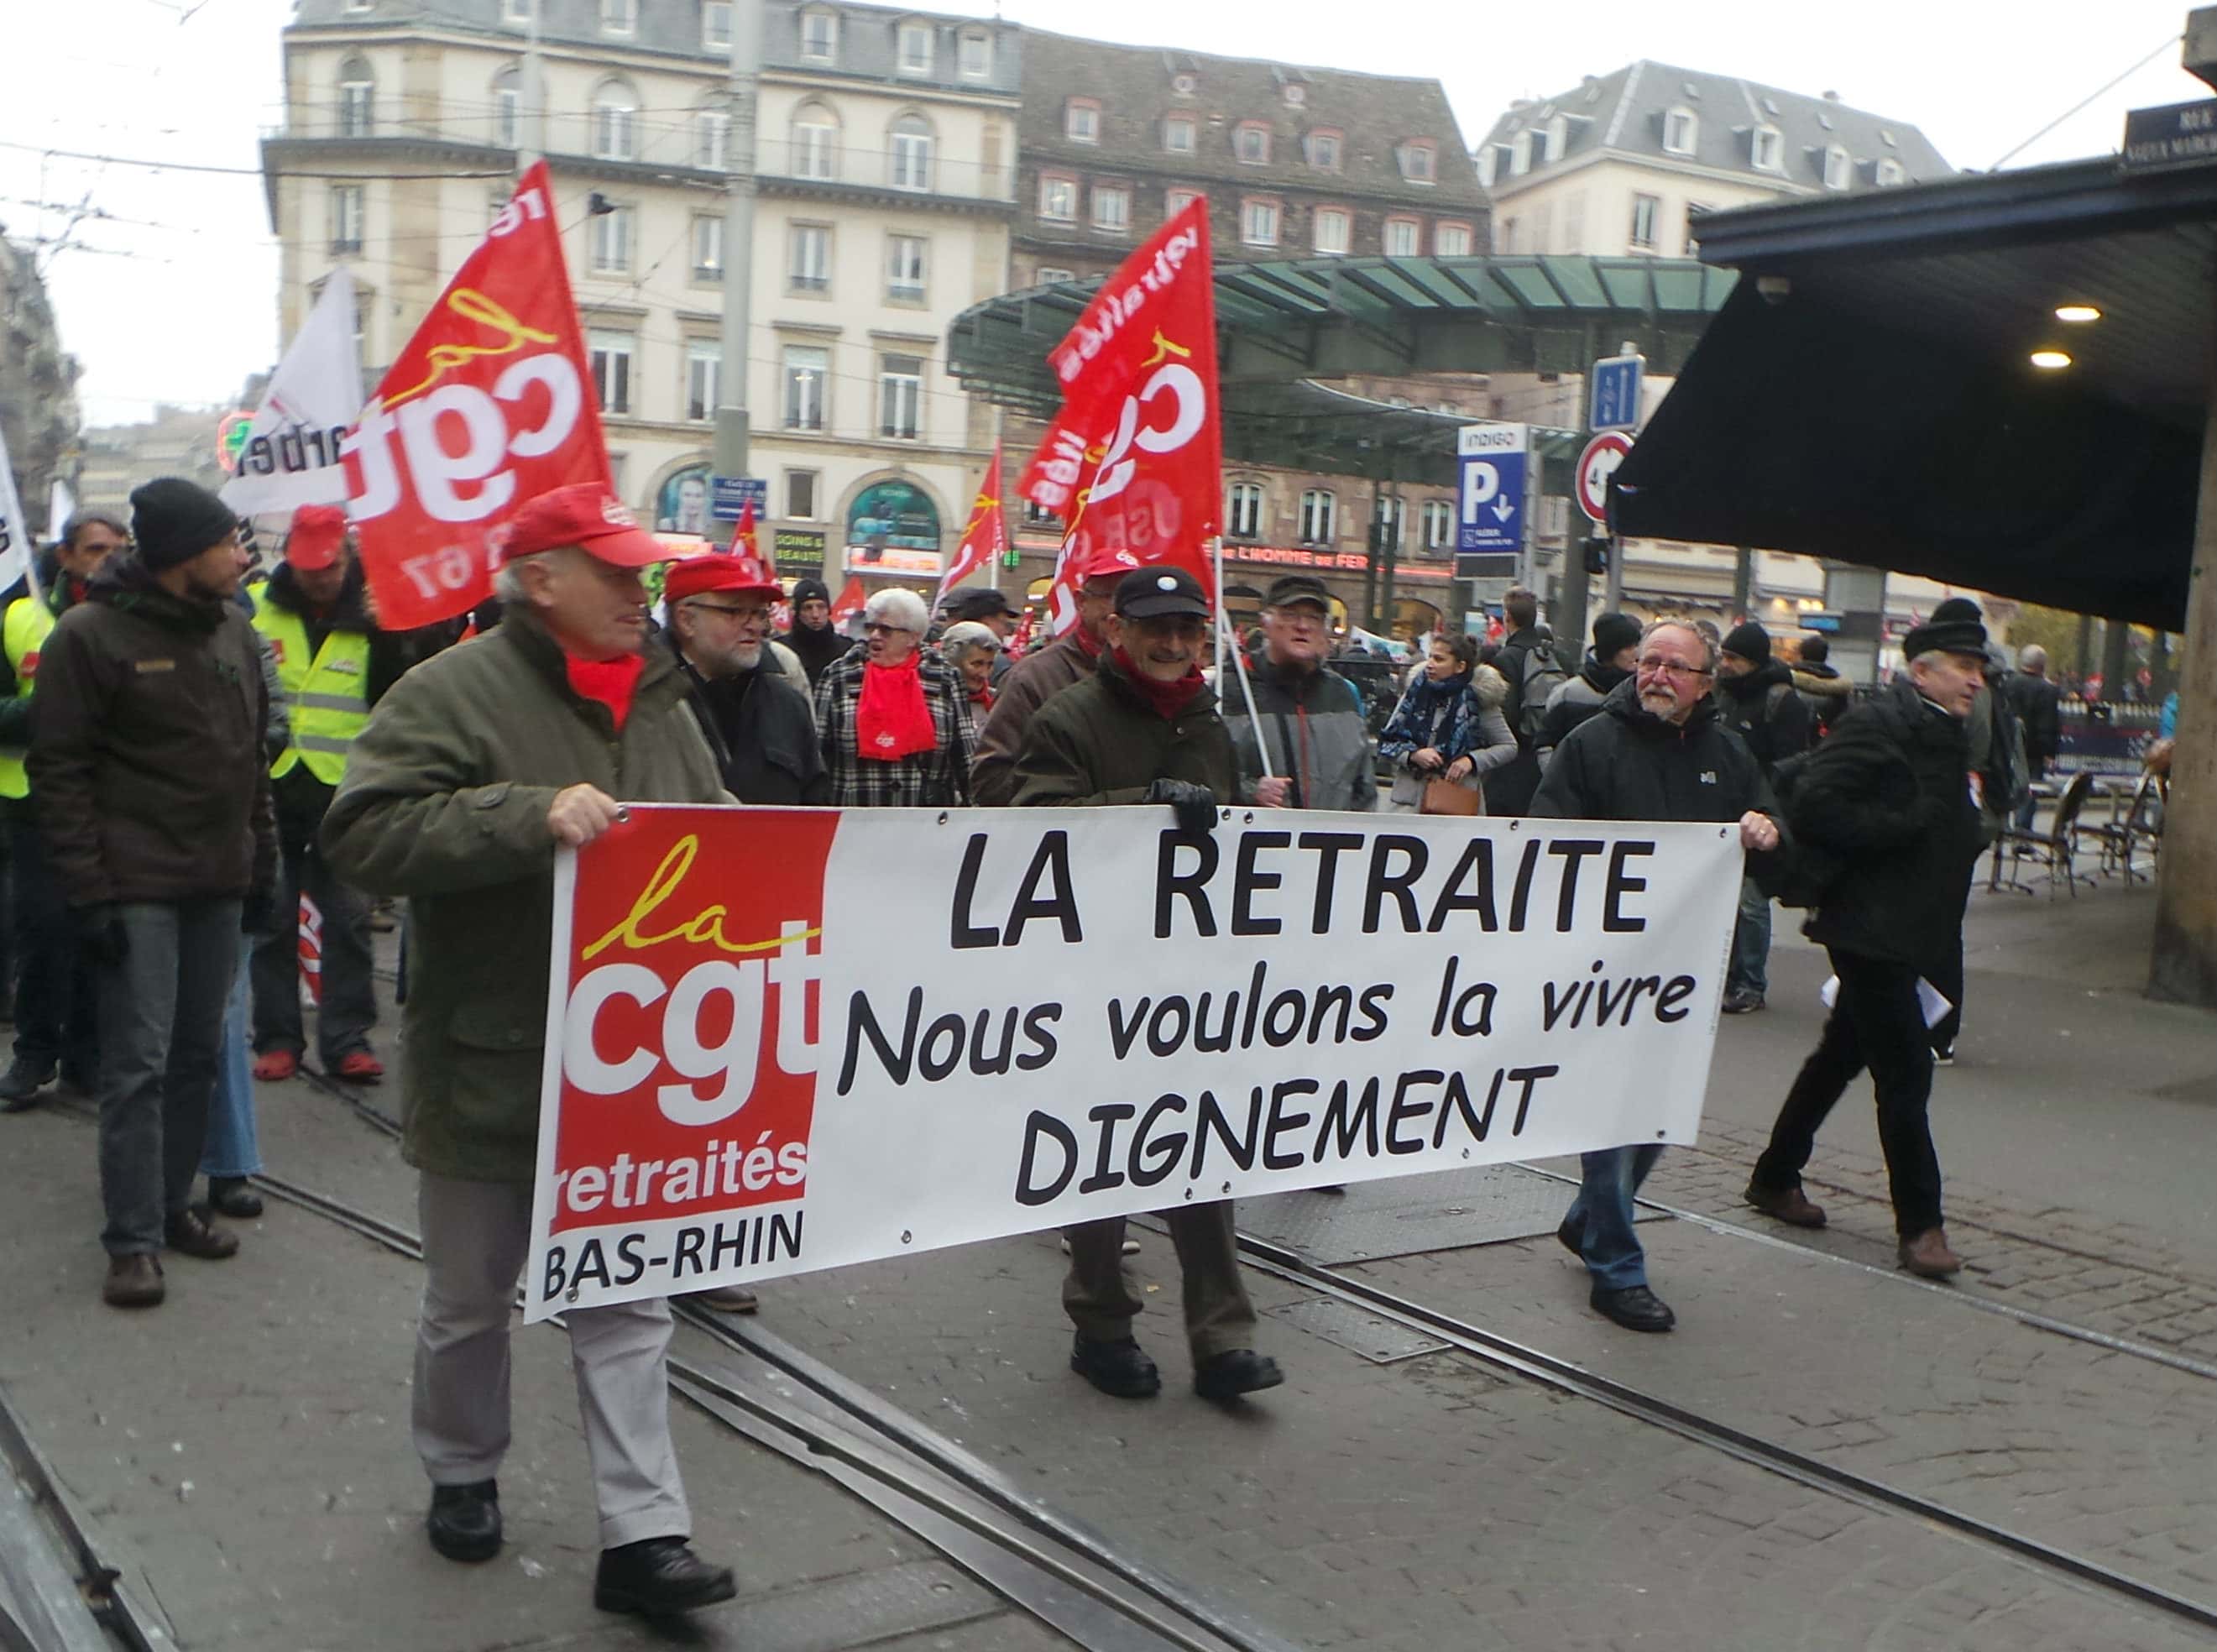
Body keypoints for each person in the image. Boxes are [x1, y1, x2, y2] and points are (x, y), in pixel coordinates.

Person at [322, 481, 735, 1615]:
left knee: (630, 1304)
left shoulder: (662, 698)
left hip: (637, 1067)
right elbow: (361, 834)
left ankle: (644, 1538)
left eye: (641, 571)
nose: (638, 590)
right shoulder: (448, 689)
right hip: (494, 1051)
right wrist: (526, 815)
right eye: (615, 571)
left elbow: (712, 830)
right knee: (469, 1300)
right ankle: (462, 1470)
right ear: (539, 579)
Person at [1012, 567, 1284, 1404]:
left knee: (1202, 1149)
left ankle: (1222, 1338)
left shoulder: (1212, 723)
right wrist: (1143, 804)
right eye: (1155, 628)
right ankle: (1102, 1325)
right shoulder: (1067, 718)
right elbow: (1032, 829)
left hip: (1189, 978)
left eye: (1187, 630)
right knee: (1097, 1157)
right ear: (1116, 632)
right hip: (1094, 975)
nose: (1172, 644)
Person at [30, 478, 278, 1310]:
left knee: (196, 1055)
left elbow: (251, 767)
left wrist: (264, 862)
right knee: (136, 1065)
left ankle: (173, 1208)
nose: (241, 557)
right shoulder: (89, 636)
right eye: (227, 543)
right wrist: (88, 894)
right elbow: (58, 773)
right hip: (134, 886)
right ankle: (131, 1241)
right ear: (180, 555)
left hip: (217, 880)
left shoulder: (235, 635)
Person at [1531, 620, 1786, 1332]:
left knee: (1656, 1113)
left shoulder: (1727, 754)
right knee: (1611, 1114)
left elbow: (1774, 845)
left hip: (1684, 974)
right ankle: (1615, 1270)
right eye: (1648, 661)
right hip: (1604, 973)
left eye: (1676, 666)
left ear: (1705, 682)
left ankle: (1587, 1220)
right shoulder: (1590, 744)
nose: (1657, 676)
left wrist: (1767, 831)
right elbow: (1543, 844)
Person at [1744, 607, 1990, 1280]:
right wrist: (1902, 825)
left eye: (1980, 671)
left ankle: (1773, 1175)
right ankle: (1921, 1227)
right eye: (1964, 669)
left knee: (1837, 1056)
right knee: (1905, 1075)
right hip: (1868, 929)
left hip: (1912, 930)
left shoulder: (1947, 731)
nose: (1976, 682)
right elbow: (1819, 803)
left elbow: (1945, 819)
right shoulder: (1878, 723)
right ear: (1920, 672)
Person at [245, 504, 397, 1086]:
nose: (318, 578)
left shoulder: (375, 612)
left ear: (347, 558)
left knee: (350, 920)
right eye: (308, 569)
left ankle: (347, 1039)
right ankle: (279, 1038)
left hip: (347, 788)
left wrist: (393, 634)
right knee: (274, 920)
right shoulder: (257, 608)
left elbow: (396, 695)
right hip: (273, 782)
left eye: (328, 569)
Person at [0, 510, 123, 1110]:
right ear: (67, 556)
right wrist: (53, 704)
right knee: (43, 932)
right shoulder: (22, 616)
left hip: (116, 802)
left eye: (118, 546)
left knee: (101, 933)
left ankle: (87, 1057)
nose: (109, 557)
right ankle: (34, 1053)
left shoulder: (140, 620)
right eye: (96, 548)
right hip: (35, 801)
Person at [665, 550, 826, 808]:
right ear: (686, 620)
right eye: (736, 611)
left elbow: (814, 810)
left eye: (760, 613)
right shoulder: (643, 700)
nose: (755, 626)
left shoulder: (788, 704)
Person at [970, 549, 1127, 807]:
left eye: (1130, 598)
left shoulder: (1154, 677)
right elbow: (990, 780)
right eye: (1108, 595)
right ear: (1081, 602)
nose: (1119, 608)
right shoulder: (1033, 678)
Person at [1712, 622, 1811, 1016]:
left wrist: (1765, 780)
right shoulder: (1722, 693)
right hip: (1722, 806)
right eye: (1724, 656)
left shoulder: (1783, 700)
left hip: (1761, 808)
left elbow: (1798, 756)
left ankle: (1750, 982)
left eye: (1733, 658)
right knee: (1725, 900)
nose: (1725, 664)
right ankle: (1730, 975)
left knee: (1751, 901)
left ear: (1752, 661)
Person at [1219, 574, 1377, 813]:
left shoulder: (1342, 693)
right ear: (1265, 623)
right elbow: (1202, 778)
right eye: (1290, 614)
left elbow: (1363, 789)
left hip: (1331, 845)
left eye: (1313, 617)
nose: (1303, 626)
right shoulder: (1229, 689)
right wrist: (1250, 792)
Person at [815, 587, 973, 808]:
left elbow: (966, 758)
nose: (874, 636)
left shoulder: (944, 678)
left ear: (913, 637)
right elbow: (817, 758)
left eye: (886, 630)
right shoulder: (839, 675)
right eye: (871, 627)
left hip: (924, 825)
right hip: (854, 823)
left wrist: (979, 816)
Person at [1376, 633, 1515, 813]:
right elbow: (1387, 741)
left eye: (1439, 659)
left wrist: (1471, 761)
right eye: (1430, 657)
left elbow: (1508, 746)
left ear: (1460, 666)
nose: (1430, 665)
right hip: (1409, 802)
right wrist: (1413, 755)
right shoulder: (1415, 693)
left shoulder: (1479, 699)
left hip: (1457, 799)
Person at [1535, 611, 1641, 771]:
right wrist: (1558, 783)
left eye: (1637, 646)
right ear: (1610, 651)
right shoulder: (1568, 693)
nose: (1636, 653)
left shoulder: (1641, 693)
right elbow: (1545, 744)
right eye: (1628, 647)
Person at [1482, 586, 1556, 815]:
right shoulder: (1555, 656)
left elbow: (1505, 717)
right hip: (1547, 761)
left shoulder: (1506, 658)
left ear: (1508, 616)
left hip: (1512, 766)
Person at [2001, 642, 2063, 833]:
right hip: (2032, 749)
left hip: (2006, 744)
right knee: (2029, 790)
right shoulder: (2048, 690)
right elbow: (2048, 724)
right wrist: (2049, 753)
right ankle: (2022, 832)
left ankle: (2002, 827)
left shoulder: (2007, 683)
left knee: (2005, 783)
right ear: (2042, 666)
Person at [939, 587, 1020, 684]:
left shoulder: (934, 659)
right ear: (985, 624)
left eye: (990, 665)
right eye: (1003, 623)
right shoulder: (1001, 664)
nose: (1007, 631)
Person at [938, 620, 1001, 741]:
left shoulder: (997, 702)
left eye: (990, 665)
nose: (984, 673)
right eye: (977, 664)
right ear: (951, 662)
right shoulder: (932, 701)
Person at [784, 575, 852, 687]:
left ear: (828, 610)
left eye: (821, 607)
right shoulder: (781, 649)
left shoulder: (847, 650)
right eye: (808, 608)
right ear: (797, 612)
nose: (815, 615)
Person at [1791, 635, 1854, 740]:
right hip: (1826, 748)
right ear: (1826, 657)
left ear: (1801, 655)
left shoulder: (1787, 681)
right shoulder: (1840, 689)